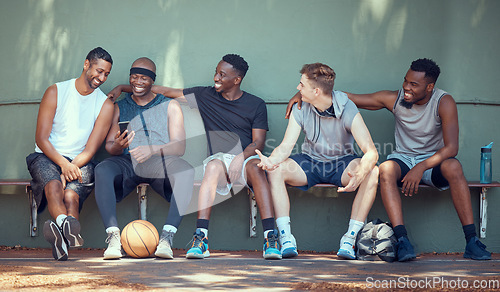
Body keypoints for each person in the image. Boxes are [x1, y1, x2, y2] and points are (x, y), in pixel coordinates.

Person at [286, 58, 491, 261]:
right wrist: (304, 93)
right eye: (405, 81)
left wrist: (421, 167)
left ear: (430, 87)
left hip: (431, 163)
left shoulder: (444, 102)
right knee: (385, 169)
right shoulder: (394, 98)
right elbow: (341, 97)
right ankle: (402, 240)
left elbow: (452, 148)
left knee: (454, 167)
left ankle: (472, 241)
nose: (406, 87)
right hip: (403, 160)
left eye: (413, 84)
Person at [108, 54, 281, 259]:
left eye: (222, 74)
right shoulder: (204, 95)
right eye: (216, 72)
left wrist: (240, 158)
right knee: (213, 166)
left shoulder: (256, 104)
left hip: (246, 157)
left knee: (255, 168)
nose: (216, 77)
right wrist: (122, 87)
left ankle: (271, 237)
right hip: (218, 159)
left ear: (237, 79)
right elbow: (161, 90)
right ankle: (201, 238)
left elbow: (258, 142)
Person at [257, 63, 379, 259]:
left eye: (301, 85)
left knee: (372, 171)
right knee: (276, 169)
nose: (298, 89)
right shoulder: (301, 106)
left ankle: (350, 238)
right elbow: (286, 146)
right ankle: (286, 237)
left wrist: (361, 171)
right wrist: (271, 161)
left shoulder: (347, 107)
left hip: (341, 163)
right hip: (310, 162)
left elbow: (371, 152)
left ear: (316, 91)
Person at [95, 57, 194, 260]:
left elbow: (180, 146)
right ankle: (113, 239)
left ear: (152, 81)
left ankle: (167, 238)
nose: (138, 82)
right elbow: (109, 147)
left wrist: (153, 149)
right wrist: (118, 145)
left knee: (186, 171)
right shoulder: (119, 107)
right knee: (102, 169)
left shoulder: (170, 106)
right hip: (128, 162)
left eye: (144, 78)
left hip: (159, 163)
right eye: (134, 77)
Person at [26, 47, 114, 261]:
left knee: (71, 196)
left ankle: (62, 240)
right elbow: (42, 139)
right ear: (86, 64)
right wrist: (63, 166)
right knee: (54, 186)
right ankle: (68, 231)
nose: (101, 78)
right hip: (47, 156)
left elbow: (91, 149)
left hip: (81, 161)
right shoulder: (56, 91)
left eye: (106, 74)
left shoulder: (105, 105)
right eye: (98, 71)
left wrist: (71, 166)